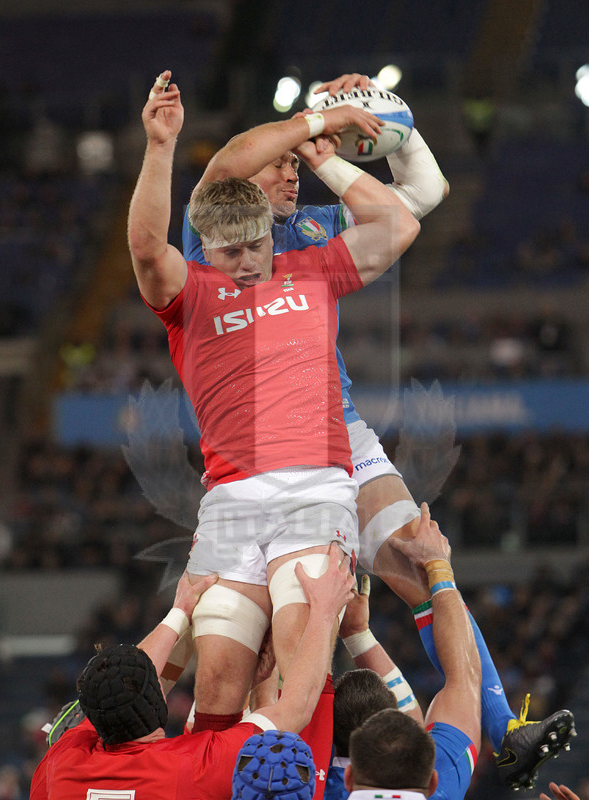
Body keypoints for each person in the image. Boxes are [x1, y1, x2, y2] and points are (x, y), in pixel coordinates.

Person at [128, 70, 420, 730]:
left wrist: (328, 162)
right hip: (231, 500)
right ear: (206, 246)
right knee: (219, 687)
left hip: (316, 492)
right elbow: (146, 248)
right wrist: (160, 146)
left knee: (296, 664)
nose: (248, 262)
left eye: (257, 244)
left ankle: (298, 773)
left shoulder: (311, 269)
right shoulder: (190, 295)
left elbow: (397, 221)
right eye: (230, 250)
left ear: (270, 232)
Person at [29, 545, 355, 800]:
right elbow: (296, 707)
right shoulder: (193, 766)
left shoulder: (60, 765)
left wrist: (181, 611)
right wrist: (324, 611)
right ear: (159, 703)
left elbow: (130, 684)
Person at [326, 504, 575, 796]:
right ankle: (503, 726)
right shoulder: (302, 777)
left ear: (350, 776)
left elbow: (458, 681)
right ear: (430, 780)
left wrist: (351, 631)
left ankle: (503, 726)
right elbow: (464, 672)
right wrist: (436, 562)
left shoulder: (299, 778)